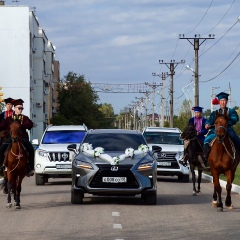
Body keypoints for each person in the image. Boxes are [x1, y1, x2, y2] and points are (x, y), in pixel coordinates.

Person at [0, 99, 35, 177]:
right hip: (11, 138)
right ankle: (2, 166)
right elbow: (2, 126)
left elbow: (30, 125)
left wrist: (20, 126)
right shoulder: (9, 119)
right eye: (19, 108)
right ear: (15, 108)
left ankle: (30, 168)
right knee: (2, 148)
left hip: (22, 138)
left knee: (31, 149)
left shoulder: (25, 118)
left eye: (22, 108)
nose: (20, 110)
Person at [204, 92, 240, 164]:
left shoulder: (231, 111)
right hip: (216, 130)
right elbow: (210, 121)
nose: (223, 102)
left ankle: (237, 157)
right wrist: (207, 124)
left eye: (224, 101)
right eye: (221, 101)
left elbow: (235, 119)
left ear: (226, 101)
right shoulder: (215, 112)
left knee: (236, 139)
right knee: (206, 140)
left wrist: (228, 119)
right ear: (219, 102)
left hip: (228, 129)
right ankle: (205, 158)